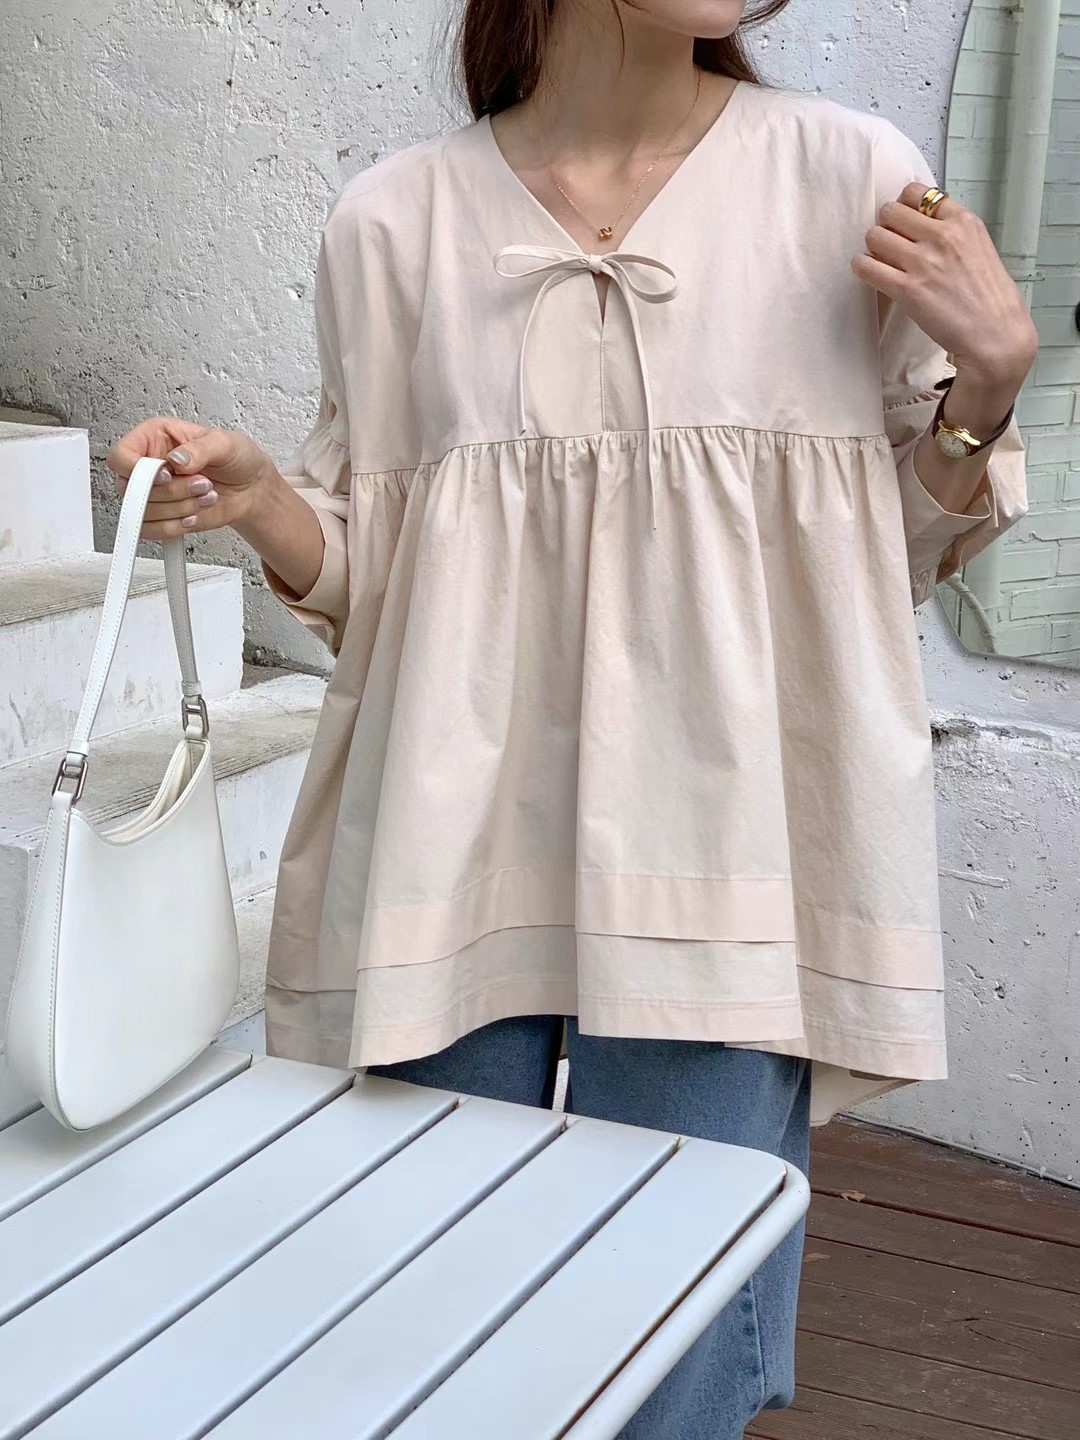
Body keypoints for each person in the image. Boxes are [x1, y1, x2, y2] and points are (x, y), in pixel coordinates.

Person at [108, 1, 1034, 1433]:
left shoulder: (848, 181)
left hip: (723, 846)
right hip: (450, 842)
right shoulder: (392, 224)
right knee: (427, 1318)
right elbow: (390, 594)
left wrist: (989, 385)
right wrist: (262, 502)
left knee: (676, 1342)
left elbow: (875, 566)